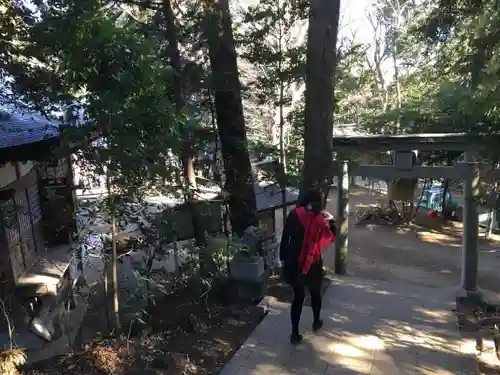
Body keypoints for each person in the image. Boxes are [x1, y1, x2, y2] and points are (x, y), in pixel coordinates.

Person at [279, 188, 336, 345]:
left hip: (294, 261)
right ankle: (316, 322)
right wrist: (331, 220)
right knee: (315, 293)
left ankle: (294, 333)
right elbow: (331, 236)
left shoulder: (294, 214)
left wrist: (282, 258)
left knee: (298, 297)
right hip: (313, 262)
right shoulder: (321, 219)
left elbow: (285, 238)